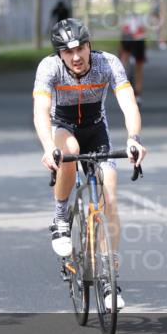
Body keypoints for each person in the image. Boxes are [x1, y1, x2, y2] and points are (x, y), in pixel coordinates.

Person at [33, 18, 147, 311]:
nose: (76, 57)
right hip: (63, 128)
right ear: (58, 54)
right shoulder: (49, 68)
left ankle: (109, 280)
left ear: (89, 45)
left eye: (81, 48)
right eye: (68, 51)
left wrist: (133, 139)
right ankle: (60, 218)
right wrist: (49, 149)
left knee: (110, 198)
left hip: (97, 130)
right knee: (68, 150)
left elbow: (128, 102)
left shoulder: (107, 63)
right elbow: (41, 111)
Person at [118, 14, 146, 102]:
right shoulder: (141, 19)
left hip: (127, 39)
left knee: (124, 59)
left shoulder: (126, 19)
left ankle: (120, 80)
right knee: (139, 68)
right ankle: (138, 94)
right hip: (139, 40)